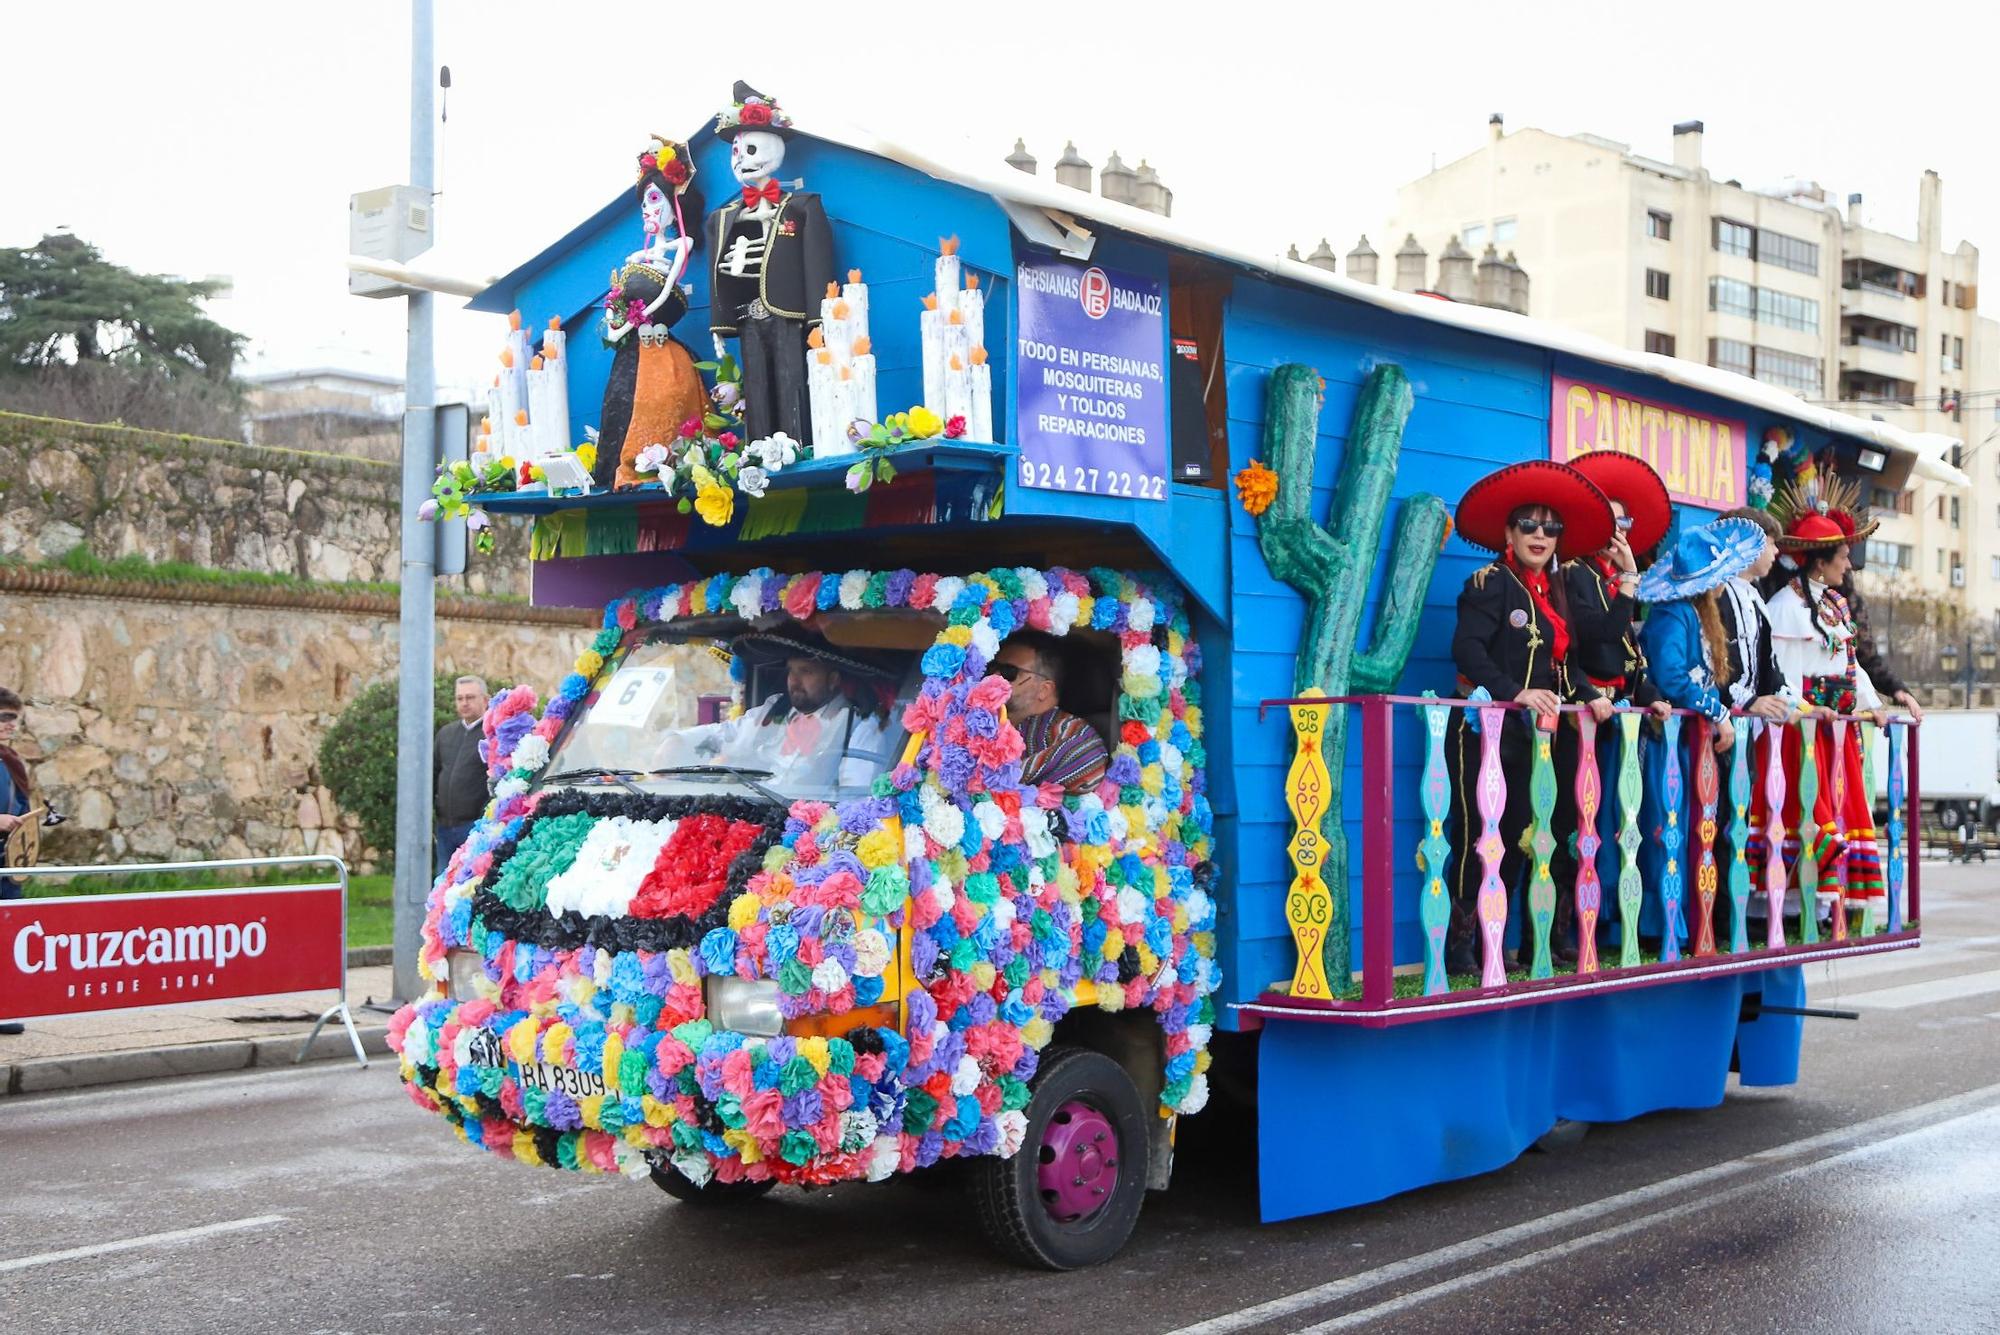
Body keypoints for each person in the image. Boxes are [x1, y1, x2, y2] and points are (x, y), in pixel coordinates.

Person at [1442, 461, 1616, 975]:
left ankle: (1503, 942)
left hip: (1531, 737)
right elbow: (1467, 649)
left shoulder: (1554, 592)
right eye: (1529, 526)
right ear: (1508, 534)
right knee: (1479, 837)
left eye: (1551, 527)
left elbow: (1562, 665)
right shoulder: (1489, 583)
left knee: (1521, 835)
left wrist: (1589, 695)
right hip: (1483, 730)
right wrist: (1516, 692)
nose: (1541, 535)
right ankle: (1461, 946)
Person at [1634, 518, 1772, 948]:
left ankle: (1694, 922)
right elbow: (1674, 678)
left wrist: (1720, 712)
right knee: (1666, 830)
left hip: (1691, 746)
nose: (1722, 582)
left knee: (1699, 831)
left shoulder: (1696, 612)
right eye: (1716, 575)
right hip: (1668, 745)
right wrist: (1718, 713)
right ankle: (1665, 928)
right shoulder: (1672, 615)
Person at [1765, 489, 1891, 928]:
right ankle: (1793, 904)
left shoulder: (1835, 604)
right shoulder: (1786, 608)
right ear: (1820, 561)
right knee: (1805, 811)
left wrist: (1872, 705)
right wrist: (1804, 708)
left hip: (1832, 731)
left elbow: (1850, 666)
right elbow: (1784, 673)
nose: (1849, 565)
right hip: (1802, 731)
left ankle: (1827, 899)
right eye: (1843, 556)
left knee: (1836, 810)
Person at [707, 83, 833, 445]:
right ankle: (759, 445)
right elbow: (717, 269)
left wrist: (818, 320)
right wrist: (720, 325)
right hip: (747, 314)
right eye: (735, 152)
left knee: (792, 380)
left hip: (788, 315)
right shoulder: (723, 217)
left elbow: (817, 264)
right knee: (757, 385)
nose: (741, 160)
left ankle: (796, 441)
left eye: (749, 149)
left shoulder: (801, 206)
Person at [601, 137, 710, 490]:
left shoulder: (683, 244)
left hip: (656, 343)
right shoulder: (637, 256)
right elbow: (617, 301)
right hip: (630, 347)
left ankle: (652, 466)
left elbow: (664, 292)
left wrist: (634, 319)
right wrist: (617, 326)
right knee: (620, 401)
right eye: (645, 202)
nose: (647, 210)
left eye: (653, 199)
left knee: (657, 401)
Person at [660, 631, 891, 793]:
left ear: (833, 680)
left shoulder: (859, 727)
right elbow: (727, 734)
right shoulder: (775, 708)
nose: (794, 680)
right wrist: (677, 742)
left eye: (806, 671)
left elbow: (854, 799)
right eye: (791, 671)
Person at [992, 631, 1110, 794]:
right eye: (993, 668)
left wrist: (993, 779)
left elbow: (1086, 763)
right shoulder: (983, 722)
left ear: (1044, 689)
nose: (995, 676)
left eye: (1009, 672)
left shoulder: (1070, 730)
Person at [434, 676, 491, 879]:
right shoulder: (446, 734)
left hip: (474, 828)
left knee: (468, 886)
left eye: (470, 697)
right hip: (445, 829)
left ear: (485, 700)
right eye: (459, 698)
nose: (464, 703)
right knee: (442, 887)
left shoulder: (492, 734)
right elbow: (435, 773)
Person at [1, 687, 32, 1034]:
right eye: (6, 718)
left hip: (7, 864)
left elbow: (21, 809)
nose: (11, 726)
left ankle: (3, 1009)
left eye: (15, 719)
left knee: (5, 935)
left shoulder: (10, 762)